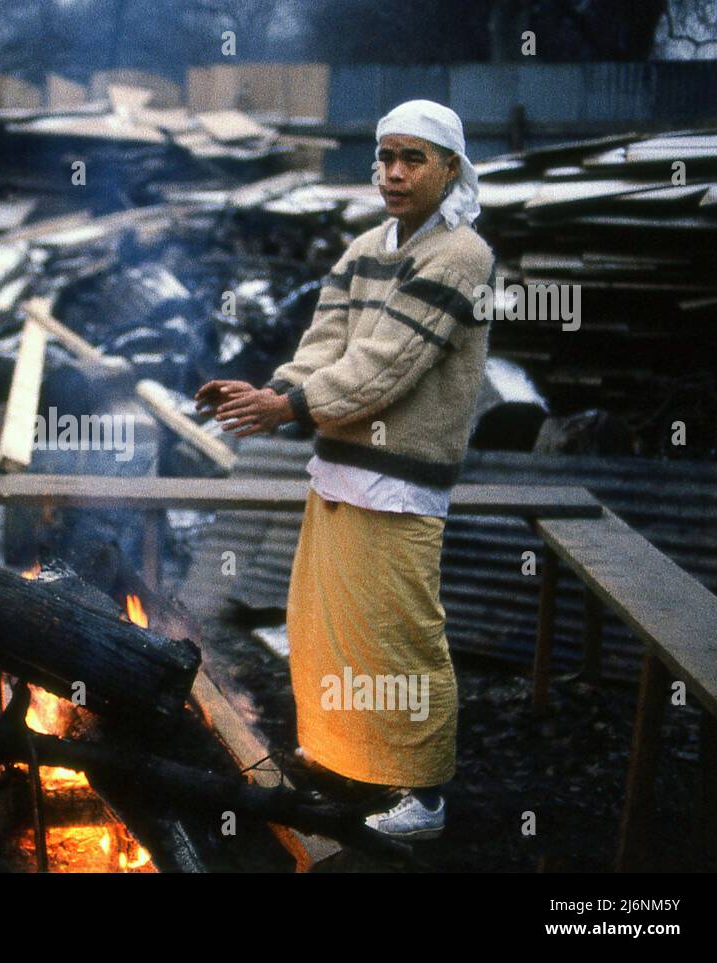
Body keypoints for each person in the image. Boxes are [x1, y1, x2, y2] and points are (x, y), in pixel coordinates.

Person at [195, 100, 495, 839]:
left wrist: (287, 407)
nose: (393, 173)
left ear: (450, 168)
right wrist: (272, 389)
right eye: (385, 156)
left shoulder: (460, 255)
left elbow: (382, 368)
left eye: (413, 158)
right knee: (324, 628)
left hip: (401, 480)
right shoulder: (366, 246)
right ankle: (348, 760)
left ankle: (422, 795)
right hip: (337, 470)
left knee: (399, 636)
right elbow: (325, 343)